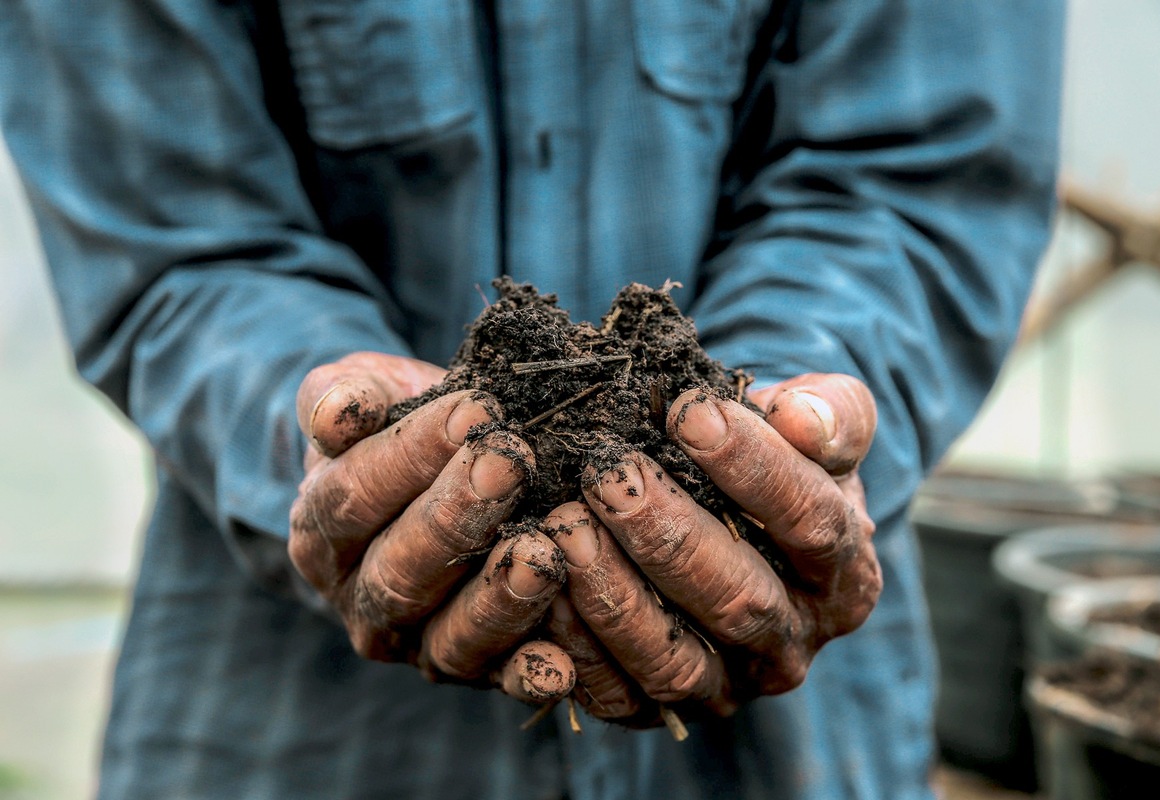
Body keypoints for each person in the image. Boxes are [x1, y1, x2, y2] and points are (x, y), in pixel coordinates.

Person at [0, 1, 1063, 797]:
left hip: (792, 734)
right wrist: (331, 424)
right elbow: (180, 226)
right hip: (291, 726)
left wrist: (773, 424)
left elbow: (910, 175)